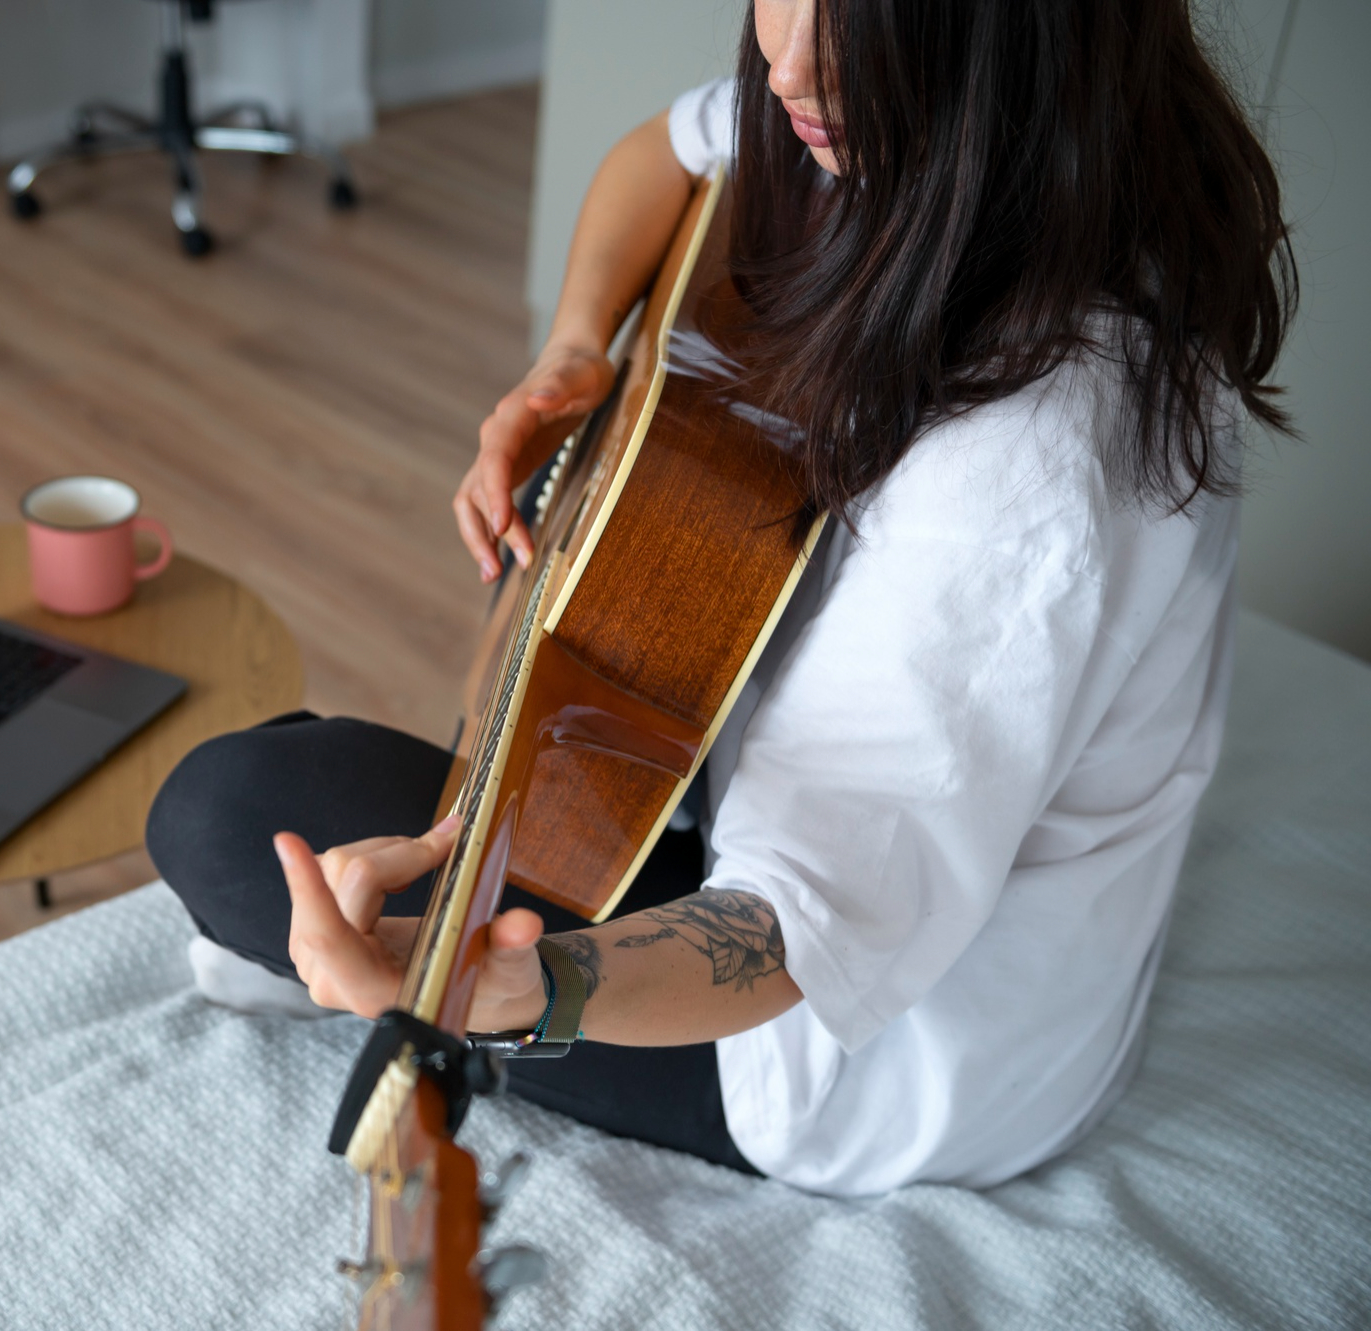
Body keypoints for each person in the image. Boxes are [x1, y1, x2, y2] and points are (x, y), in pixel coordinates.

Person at [147, 0, 1295, 1196]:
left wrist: (504, 988)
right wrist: (579, 352)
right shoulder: (917, 144)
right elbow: (668, 150)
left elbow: (796, 926)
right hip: (739, 771)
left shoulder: (1039, 460)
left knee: (230, 808)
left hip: (852, 1049)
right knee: (319, 811)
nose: (785, 63)